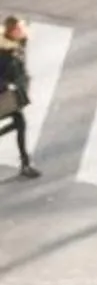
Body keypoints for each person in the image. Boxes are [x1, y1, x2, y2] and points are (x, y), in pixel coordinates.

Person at [0, 17, 41, 178]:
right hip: (3, 95)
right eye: (19, 30)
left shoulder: (15, 45)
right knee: (19, 123)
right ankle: (25, 164)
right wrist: (6, 85)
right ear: (12, 32)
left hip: (10, 94)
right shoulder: (3, 55)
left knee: (20, 123)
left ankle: (25, 163)